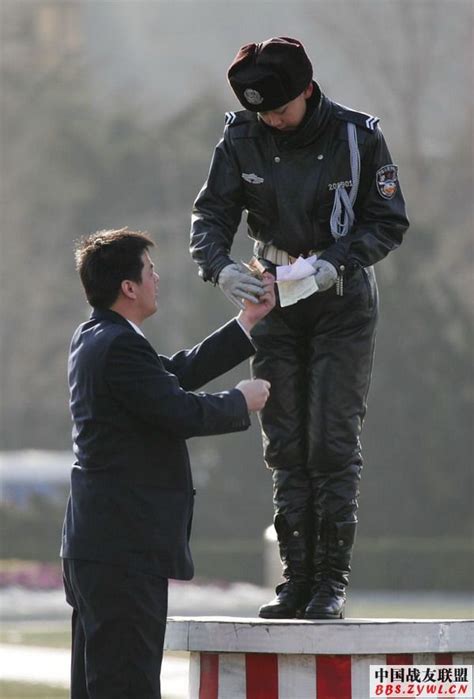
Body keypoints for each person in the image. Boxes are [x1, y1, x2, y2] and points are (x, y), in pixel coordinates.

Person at [190, 37, 409, 620]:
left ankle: (329, 585)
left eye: (280, 110)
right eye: (262, 112)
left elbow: (388, 220)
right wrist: (223, 267)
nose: (271, 121)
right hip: (274, 297)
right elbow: (211, 215)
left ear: (307, 92)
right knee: (285, 443)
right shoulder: (241, 138)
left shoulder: (357, 137)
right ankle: (295, 581)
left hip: (341, 299)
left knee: (331, 442)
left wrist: (337, 260)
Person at [60, 227, 275, 698]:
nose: (158, 279)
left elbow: (171, 376)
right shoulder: (118, 345)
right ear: (128, 287)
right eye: (150, 270)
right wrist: (240, 401)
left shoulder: (95, 336)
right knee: (127, 687)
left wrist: (247, 323)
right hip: (123, 553)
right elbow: (177, 410)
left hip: (99, 547)